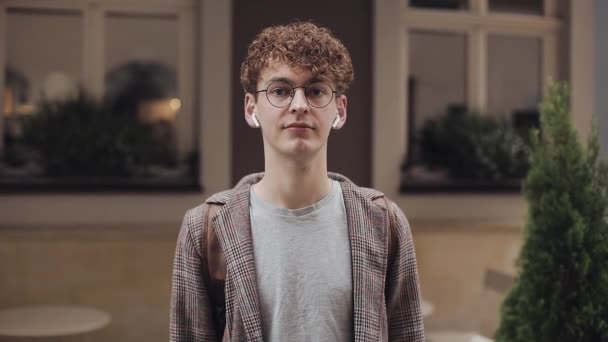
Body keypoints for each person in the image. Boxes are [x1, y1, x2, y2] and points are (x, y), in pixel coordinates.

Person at [170, 21, 425, 342]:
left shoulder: (382, 221)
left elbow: (408, 335)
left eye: (316, 90)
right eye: (280, 91)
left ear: (340, 110)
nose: (300, 105)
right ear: (251, 109)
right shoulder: (205, 227)